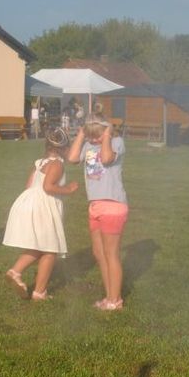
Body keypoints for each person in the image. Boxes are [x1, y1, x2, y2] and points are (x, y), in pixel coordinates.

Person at [3, 128, 79, 300]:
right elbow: (48, 187)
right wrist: (68, 189)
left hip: (30, 202)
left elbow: (29, 185)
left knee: (40, 246)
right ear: (64, 148)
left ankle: (16, 272)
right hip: (44, 207)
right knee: (50, 249)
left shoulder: (40, 163)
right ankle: (39, 292)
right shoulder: (57, 164)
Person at [68, 113, 128, 311]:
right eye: (90, 135)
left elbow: (107, 158)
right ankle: (109, 295)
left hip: (112, 205)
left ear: (107, 131)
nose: (94, 139)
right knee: (99, 253)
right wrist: (81, 135)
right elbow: (72, 158)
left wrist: (108, 135)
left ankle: (115, 300)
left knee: (111, 254)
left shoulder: (116, 142)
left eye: (97, 135)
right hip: (94, 206)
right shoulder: (88, 145)